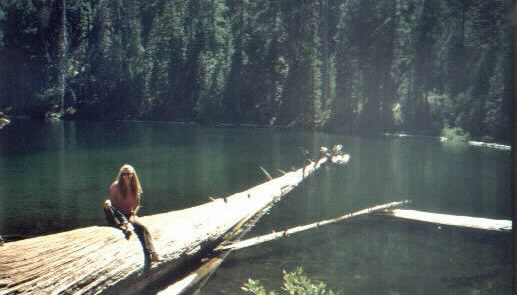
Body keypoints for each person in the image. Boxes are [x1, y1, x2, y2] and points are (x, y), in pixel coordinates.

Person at [103, 164, 160, 264]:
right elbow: (111, 202)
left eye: (129, 174)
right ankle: (123, 225)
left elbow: (137, 205)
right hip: (116, 214)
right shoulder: (115, 186)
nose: (126, 176)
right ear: (121, 175)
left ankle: (153, 253)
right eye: (124, 174)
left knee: (143, 227)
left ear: (133, 174)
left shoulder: (136, 187)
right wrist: (107, 203)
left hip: (129, 215)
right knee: (108, 208)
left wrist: (132, 215)